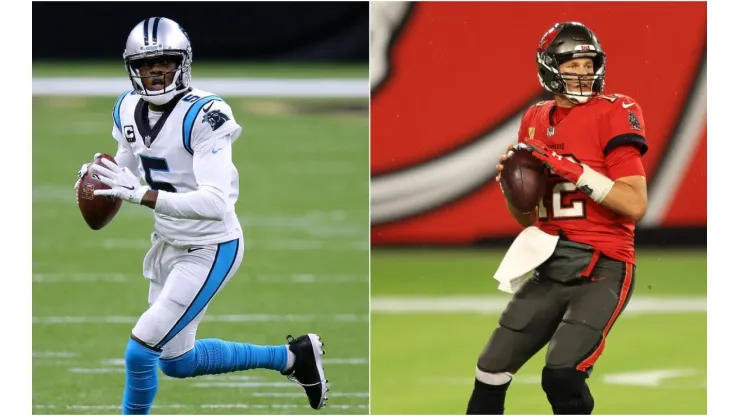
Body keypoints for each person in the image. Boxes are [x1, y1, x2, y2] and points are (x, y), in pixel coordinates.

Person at [73, 17, 328, 414]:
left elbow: (215, 203)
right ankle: (294, 357)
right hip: (168, 242)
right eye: (146, 65)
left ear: (184, 63)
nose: (156, 74)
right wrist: (98, 177)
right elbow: (125, 164)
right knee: (177, 361)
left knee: (140, 352)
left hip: (211, 246)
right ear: (131, 68)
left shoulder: (206, 114)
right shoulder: (125, 107)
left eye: (165, 63)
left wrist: (141, 194)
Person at [466, 21, 648, 415]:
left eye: (588, 64)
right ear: (549, 66)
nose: (583, 73)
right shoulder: (534, 117)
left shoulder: (615, 112)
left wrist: (572, 169)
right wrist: (513, 186)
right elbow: (526, 216)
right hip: (550, 262)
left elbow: (634, 204)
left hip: (602, 265)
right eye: (573, 64)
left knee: (562, 373)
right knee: (490, 370)